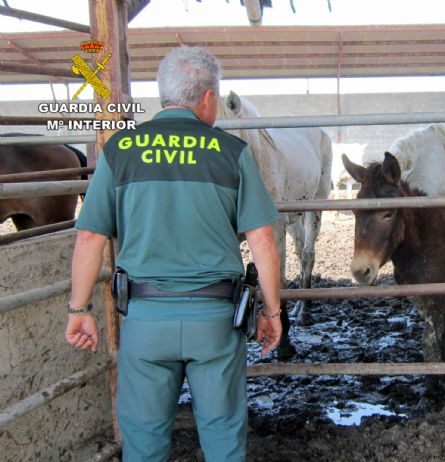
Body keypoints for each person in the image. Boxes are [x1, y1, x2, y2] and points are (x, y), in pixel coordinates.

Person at [64, 46, 283, 461]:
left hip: (145, 321)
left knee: (143, 443)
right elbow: (263, 241)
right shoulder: (231, 152)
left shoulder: (119, 151)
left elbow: (90, 238)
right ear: (207, 97)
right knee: (223, 440)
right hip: (215, 324)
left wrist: (79, 310)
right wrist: (271, 312)